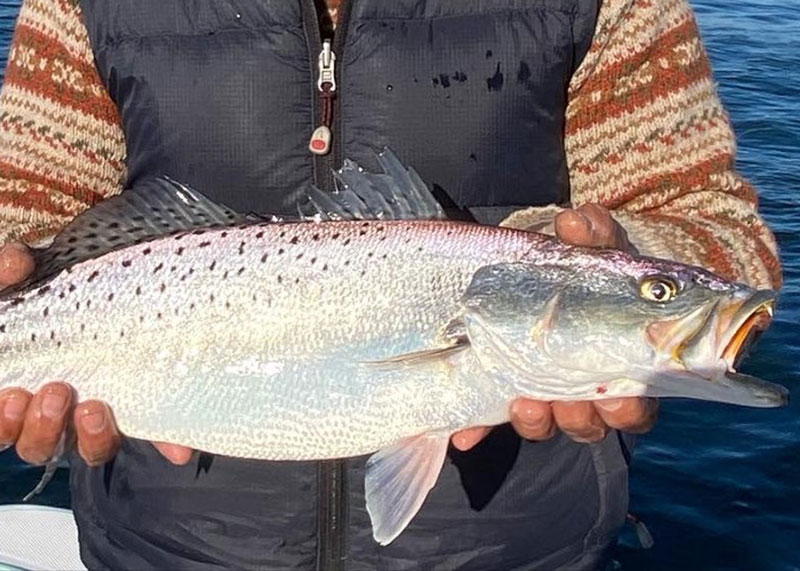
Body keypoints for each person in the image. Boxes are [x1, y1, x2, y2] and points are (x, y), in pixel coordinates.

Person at [0, 0, 781, 569]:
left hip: (519, 545)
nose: (668, 304)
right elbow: (29, 211)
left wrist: (620, 250)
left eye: (655, 298)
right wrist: (16, 259)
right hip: (161, 540)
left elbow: (724, 246)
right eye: (657, 296)